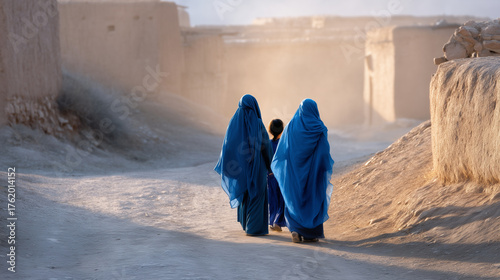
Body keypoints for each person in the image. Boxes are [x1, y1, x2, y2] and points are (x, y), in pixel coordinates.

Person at [271, 99, 334, 243]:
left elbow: (283, 152)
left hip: (294, 173)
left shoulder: (291, 127)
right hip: (314, 172)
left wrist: (286, 170)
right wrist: (322, 168)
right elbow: (324, 152)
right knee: (313, 198)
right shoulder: (319, 128)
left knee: (294, 198)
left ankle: (296, 230)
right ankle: (311, 234)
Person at [215, 94, 273, 236]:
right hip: (257, 167)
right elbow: (266, 146)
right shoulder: (258, 124)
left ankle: (246, 224)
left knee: (245, 194)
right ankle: (253, 228)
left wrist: (231, 164)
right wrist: (271, 166)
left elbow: (227, 146)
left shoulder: (233, 124)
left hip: (240, 168)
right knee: (257, 195)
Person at [267, 119, 286, 232]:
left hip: (270, 176)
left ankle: (273, 220)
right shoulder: (283, 144)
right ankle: (278, 221)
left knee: (272, 199)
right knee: (282, 199)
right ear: (282, 130)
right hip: (282, 175)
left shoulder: (267, 144)